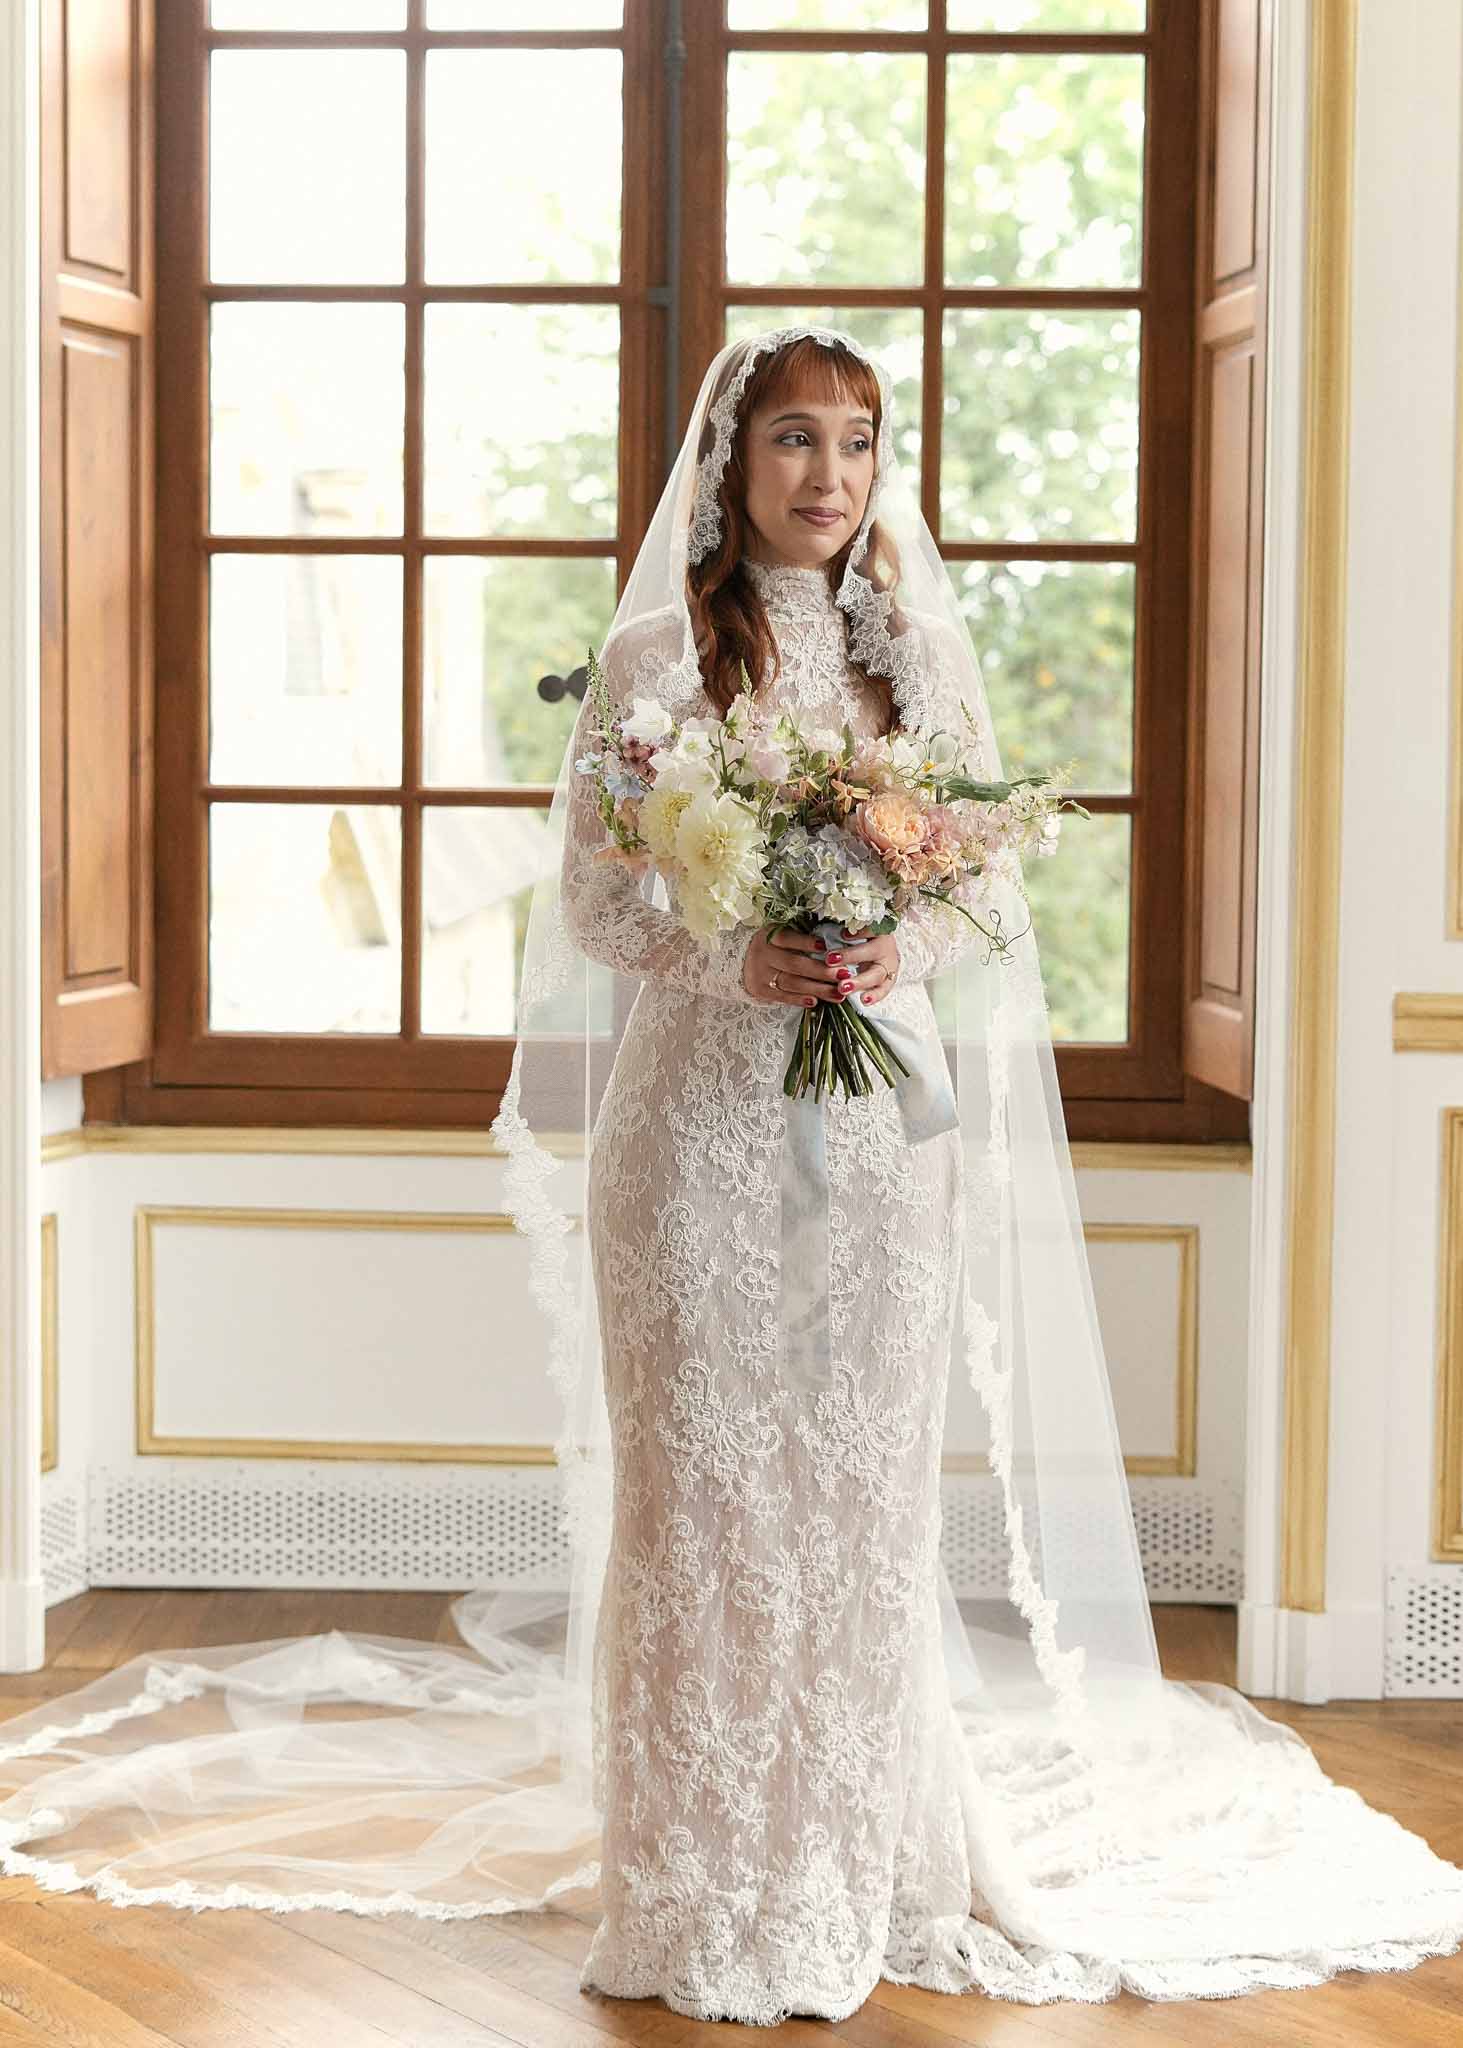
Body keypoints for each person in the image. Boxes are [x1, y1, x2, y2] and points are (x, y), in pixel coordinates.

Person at [0, 325, 1460, 2030]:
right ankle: (698, 1891)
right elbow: (598, 909)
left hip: (878, 1147)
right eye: (793, 438)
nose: (828, 474)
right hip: (691, 1143)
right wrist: (738, 955)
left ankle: (857, 1865)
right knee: (703, 1513)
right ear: (729, 459)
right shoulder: (652, 668)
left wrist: (878, 937)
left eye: (856, 440)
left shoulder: (917, 658)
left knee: (853, 1509)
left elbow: (985, 903)